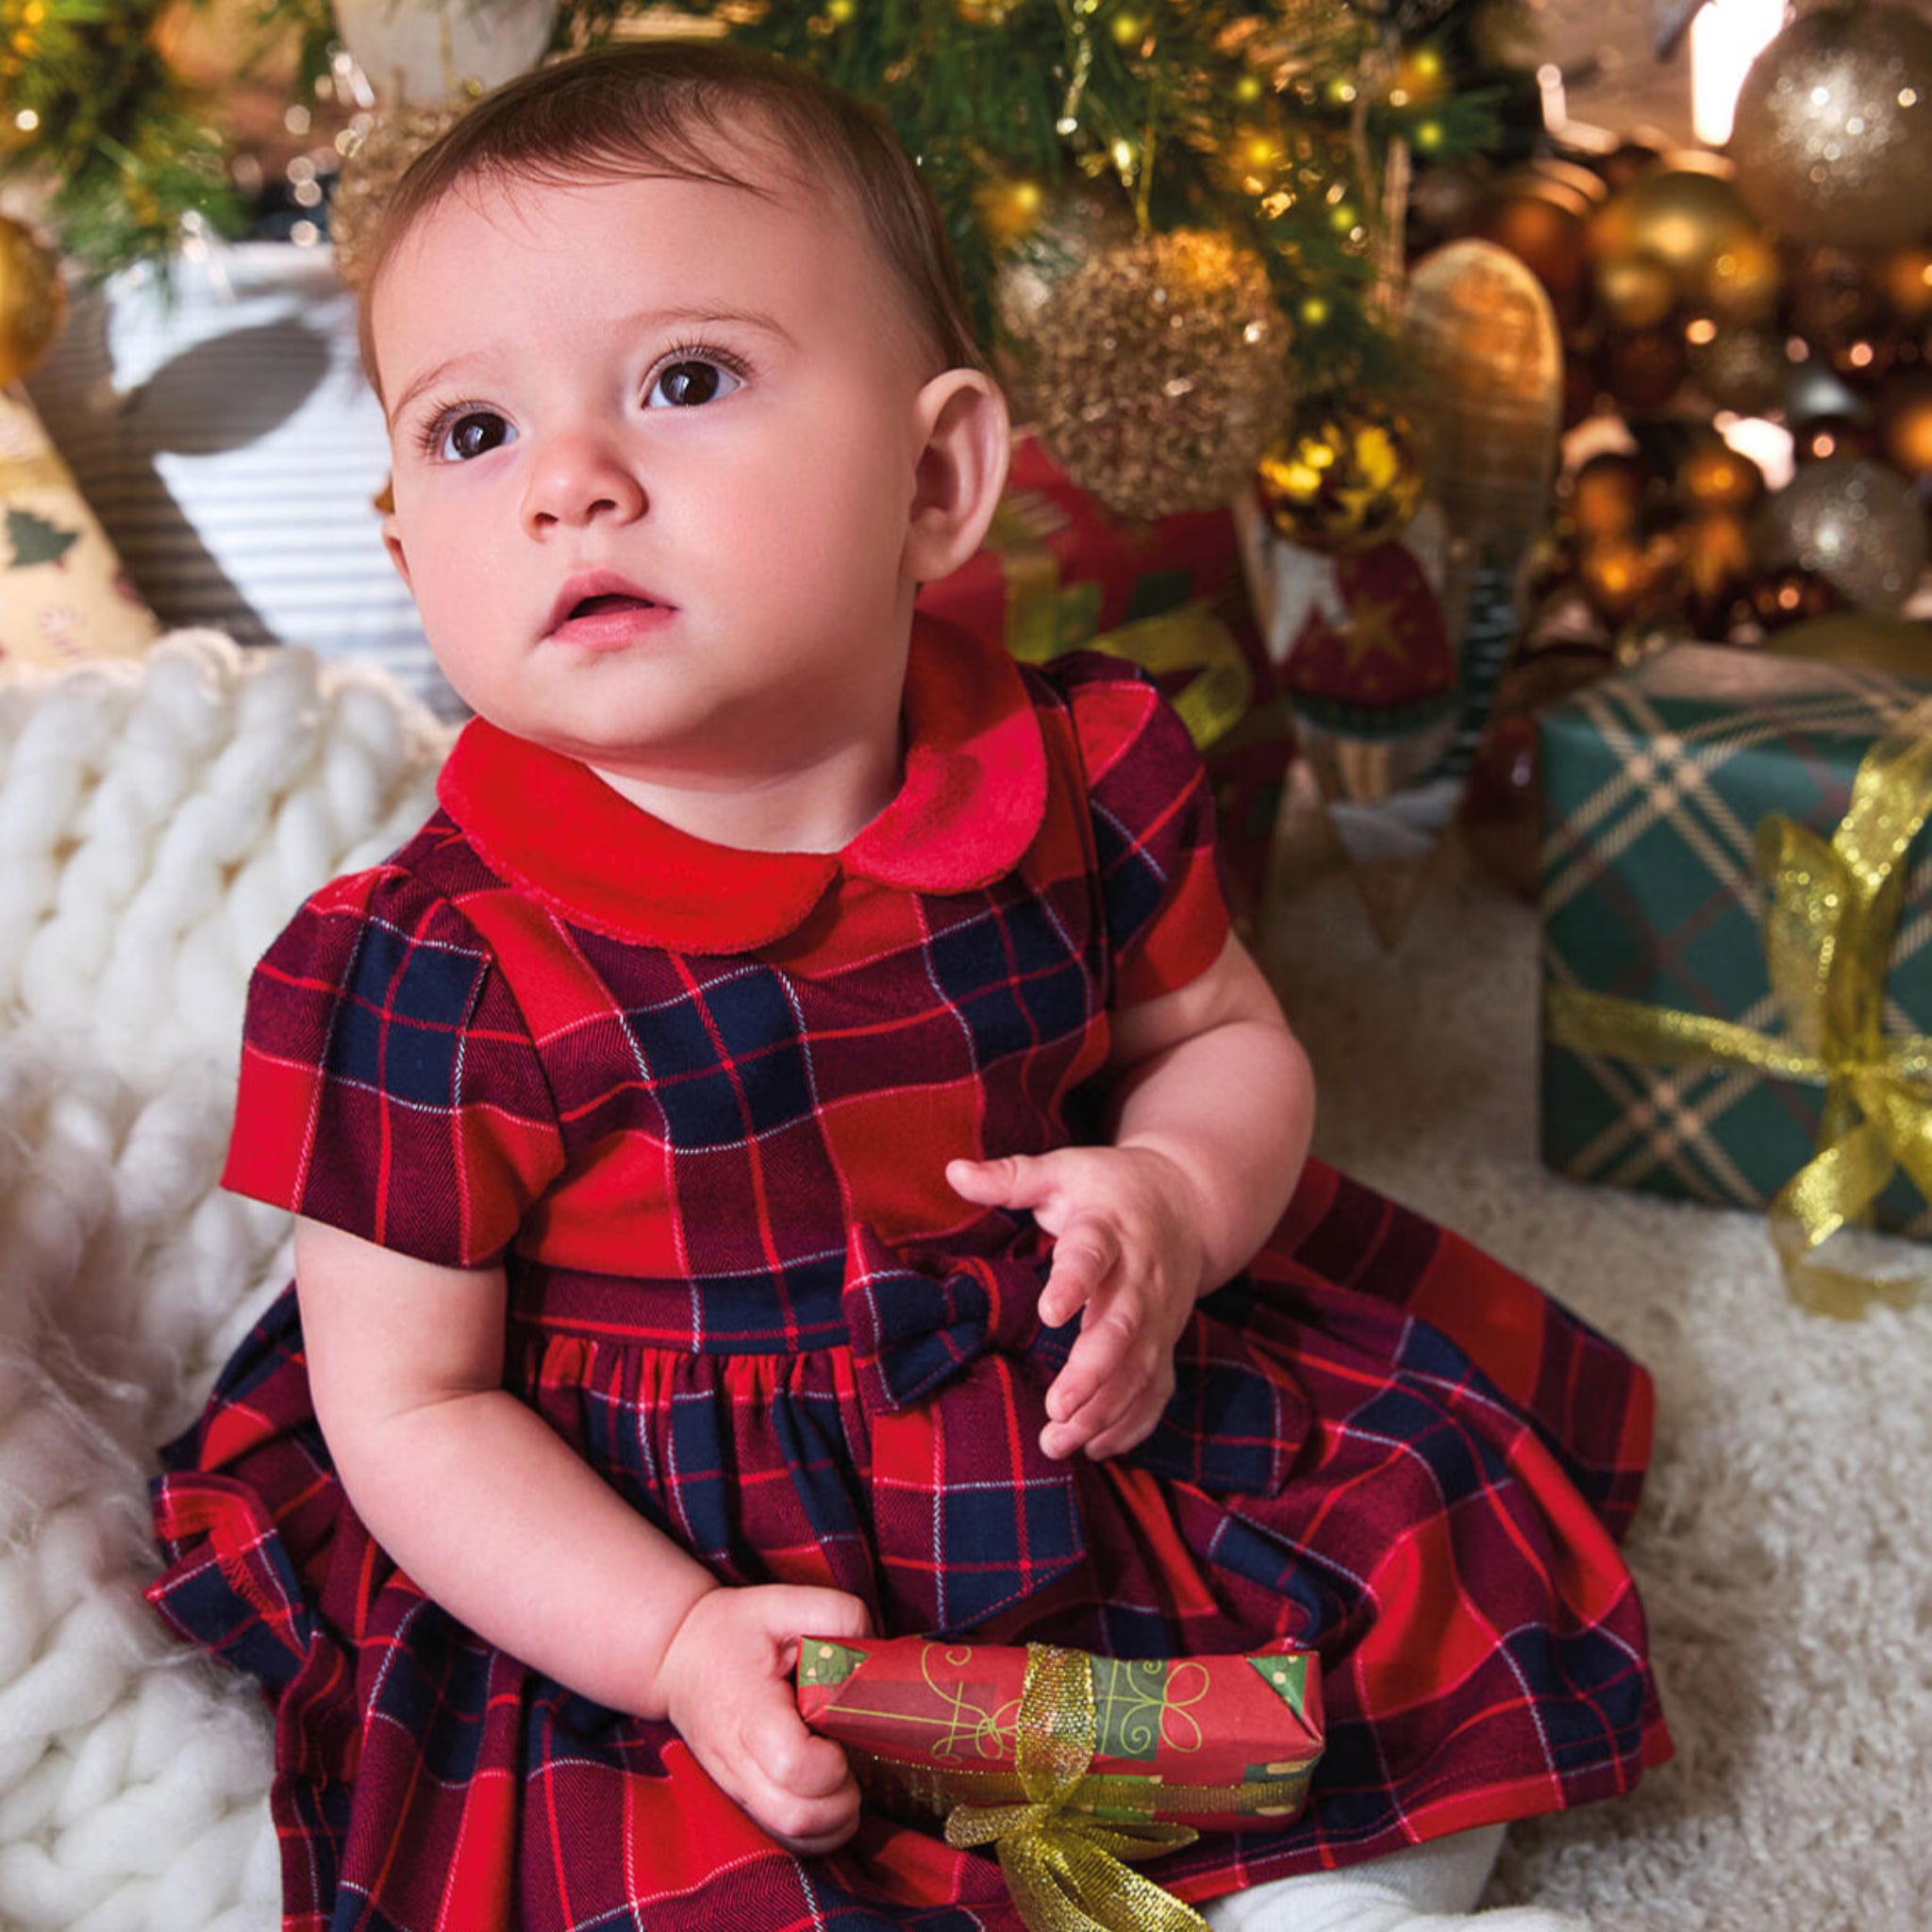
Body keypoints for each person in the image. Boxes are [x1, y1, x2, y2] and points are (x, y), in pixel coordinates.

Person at [148, 40, 1668, 1932]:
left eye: (683, 379)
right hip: (659, 1531)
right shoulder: (431, 970)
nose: (570, 486)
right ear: (405, 545)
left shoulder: (1077, 773)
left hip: (1066, 1402)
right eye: (473, 433)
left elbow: (1219, 1036)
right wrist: (669, 1637)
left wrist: (1177, 1194)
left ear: (938, 478)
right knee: (692, 1863)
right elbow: (410, 1412)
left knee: (1395, 1625)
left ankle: (1339, 1896)